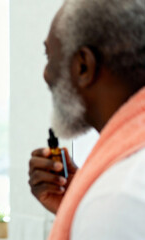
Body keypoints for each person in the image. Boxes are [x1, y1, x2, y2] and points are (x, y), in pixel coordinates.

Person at [28, 0, 145, 239]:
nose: (45, 74)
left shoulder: (117, 198)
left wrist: (96, 203)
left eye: (49, 56)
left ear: (83, 65)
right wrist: (79, 199)